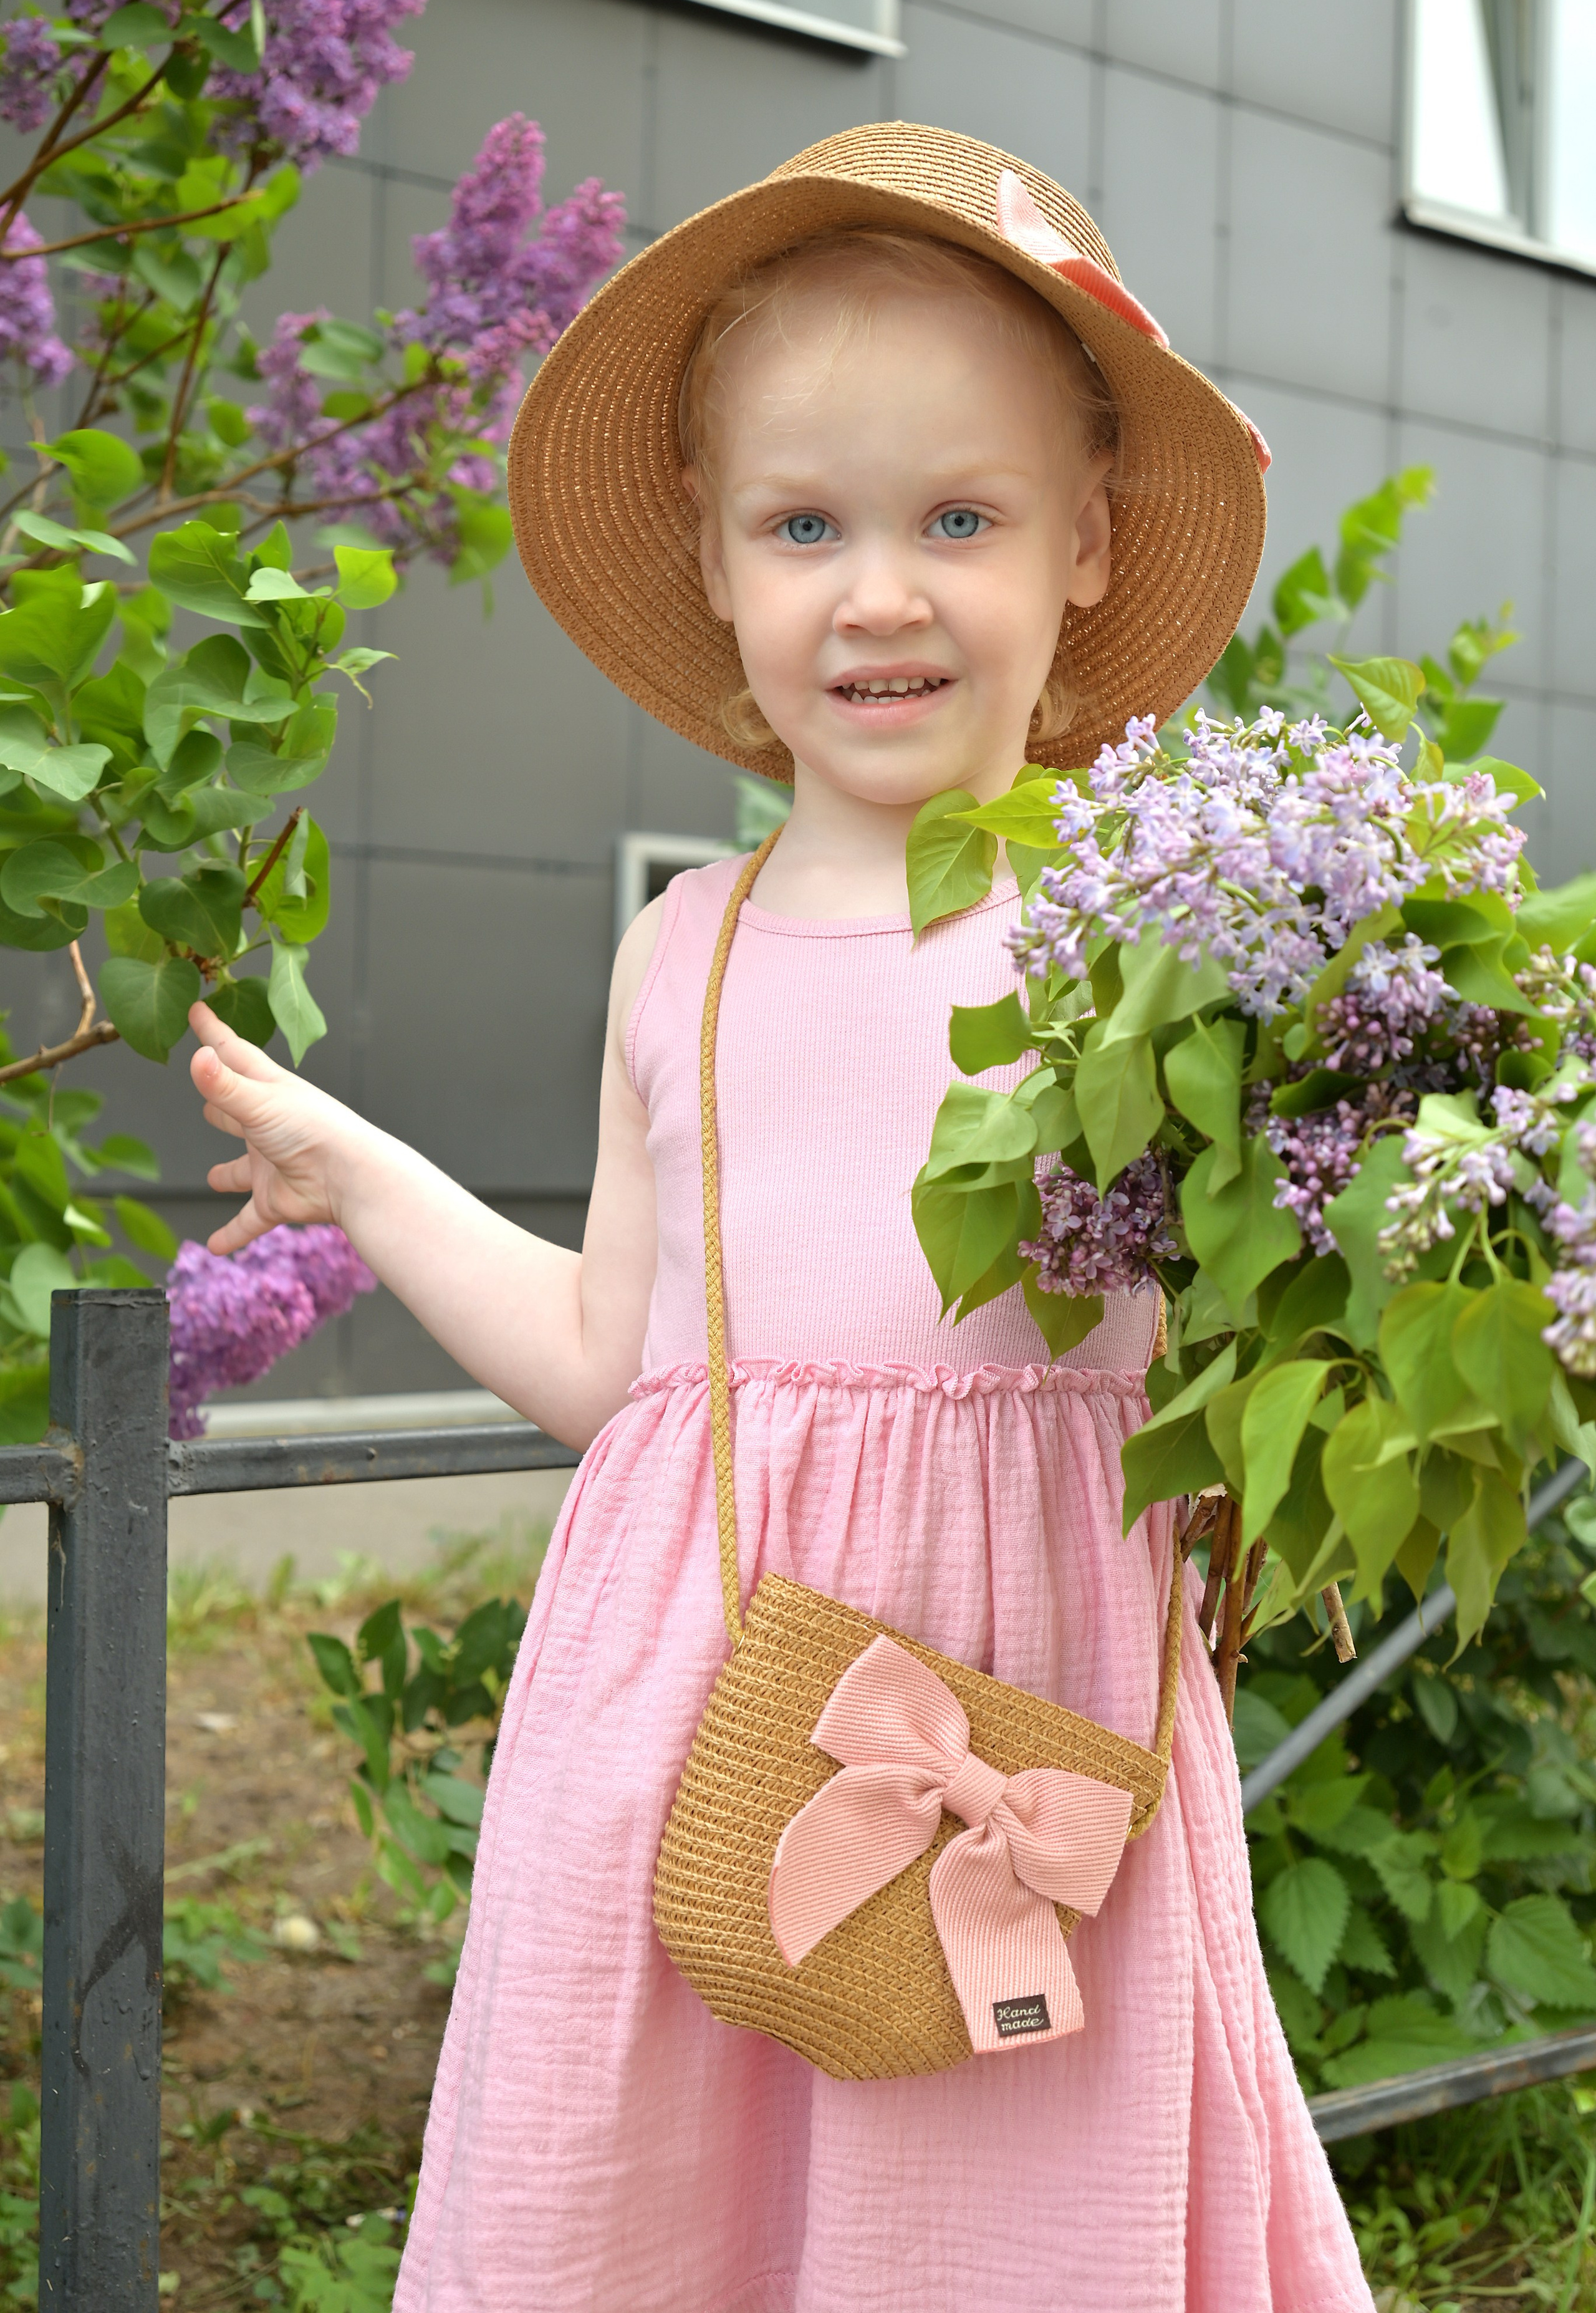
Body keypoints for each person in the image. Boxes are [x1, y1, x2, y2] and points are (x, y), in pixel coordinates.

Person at [186, 125, 1374, 2312]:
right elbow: (612, 1363)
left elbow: (1291, 1325)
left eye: (960, 516)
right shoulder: (685, 950)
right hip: (702, 1725)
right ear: (724, 570)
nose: (881, 589)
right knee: (661, 2225)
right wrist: (359, 1179)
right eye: (806, 524)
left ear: (1087, 544)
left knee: (1004, 2233)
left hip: (1035, 1717)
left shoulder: (1153, 940)